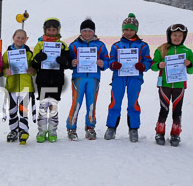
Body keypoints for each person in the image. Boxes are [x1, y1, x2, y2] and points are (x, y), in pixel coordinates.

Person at [104, 13, 152, 142]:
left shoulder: (143, 46)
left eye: (131, 29)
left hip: (135, 78)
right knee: (115, 102)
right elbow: (110, 60)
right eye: (126, 29)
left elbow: (148, 61)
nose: (128, 32)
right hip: (119, 77)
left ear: (136, 30)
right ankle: (111, 127)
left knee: (133, 103)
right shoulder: (116, 45)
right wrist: (113, 64)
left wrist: (143, 66)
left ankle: (133, 128)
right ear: (122, 30)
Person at [65, 18, 109, 140]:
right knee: (76, 103)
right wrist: (72, 63)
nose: (87, 33)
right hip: (79, 78)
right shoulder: (74, 45)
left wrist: (102, 63)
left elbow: (107, 60)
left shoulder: (100, 45)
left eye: (90, 31)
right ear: (80, 32)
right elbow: (68, 60)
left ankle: (90, 127)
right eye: (84, 31)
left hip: (93, 78)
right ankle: (71, 128)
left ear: (94, 32)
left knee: (91, 103)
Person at [150, 24, 193, 146]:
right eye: (174, 35)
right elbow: (153, 65)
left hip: (179, 85)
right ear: (170, 35)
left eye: (180, 36)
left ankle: (175, 133)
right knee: (164, 108)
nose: (177, 38)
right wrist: (159, 65)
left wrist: (189, 64)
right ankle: (160, 132)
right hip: (164, 84)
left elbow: (191, 70)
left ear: (184, 37)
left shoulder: (187, 51)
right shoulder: (162, 49)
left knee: (177, 110)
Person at [31, 18, 71, 143]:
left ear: (58, 30)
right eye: (49, 29)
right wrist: (38, 58)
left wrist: (64, 61)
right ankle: (42, 130)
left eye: (54, 30)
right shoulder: (39, 45)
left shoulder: (63, 45)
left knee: (53, 106)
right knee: (43, 106)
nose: (51, 32)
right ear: (45, 30)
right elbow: (33, 63)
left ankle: (52, 130)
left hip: (57, 81)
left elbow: (69, 63)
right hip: (43, 80)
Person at [2, 29, 36, 144]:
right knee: (12, 110)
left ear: (26, 40)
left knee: (23, 110)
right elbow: (3, 68)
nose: (20, 40)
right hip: (12, 86)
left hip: (26, 87)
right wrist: (5, 72)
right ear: (13, 37)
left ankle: (23, 131)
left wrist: (32, 70)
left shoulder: (29, 54)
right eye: (18, 37)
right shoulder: (7, 54)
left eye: (22, 38)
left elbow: (34, 69)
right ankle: (13, 130)